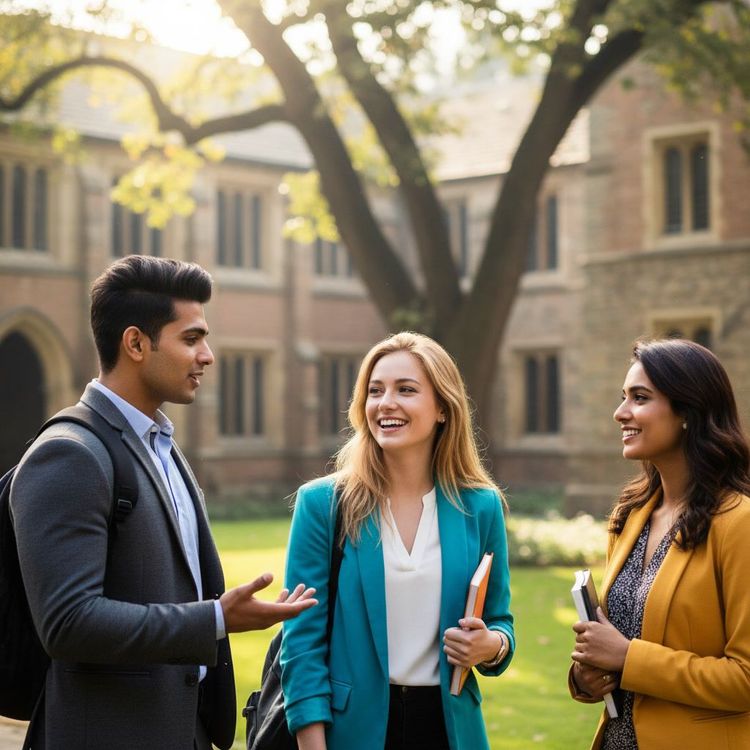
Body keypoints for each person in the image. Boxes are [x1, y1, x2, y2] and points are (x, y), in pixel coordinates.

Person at [10, 255, 317, 750]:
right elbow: (68, 622)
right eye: (191, 339)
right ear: (135, 343)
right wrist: (215, 619)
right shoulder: (69, 454)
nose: (208, 355)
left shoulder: (164, 446)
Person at [280, 331, 514, 750]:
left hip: (449, 729)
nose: (386, 403)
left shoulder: (481, 505)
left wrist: (491, 645)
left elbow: (500, 621)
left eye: (405, 390)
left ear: (442, 408)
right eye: (375, 391)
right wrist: (311, 743)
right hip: (351, 730)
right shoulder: (322, 504)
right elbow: (302, 642)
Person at [569, 338, 750, 749]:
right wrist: (586, 675)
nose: (621, 413)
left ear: (688, 411)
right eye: (622, 397)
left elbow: (745, 678)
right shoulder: (629, 516)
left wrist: (628, 659)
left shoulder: (739, 523)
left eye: (640, 398)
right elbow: (616, 642)